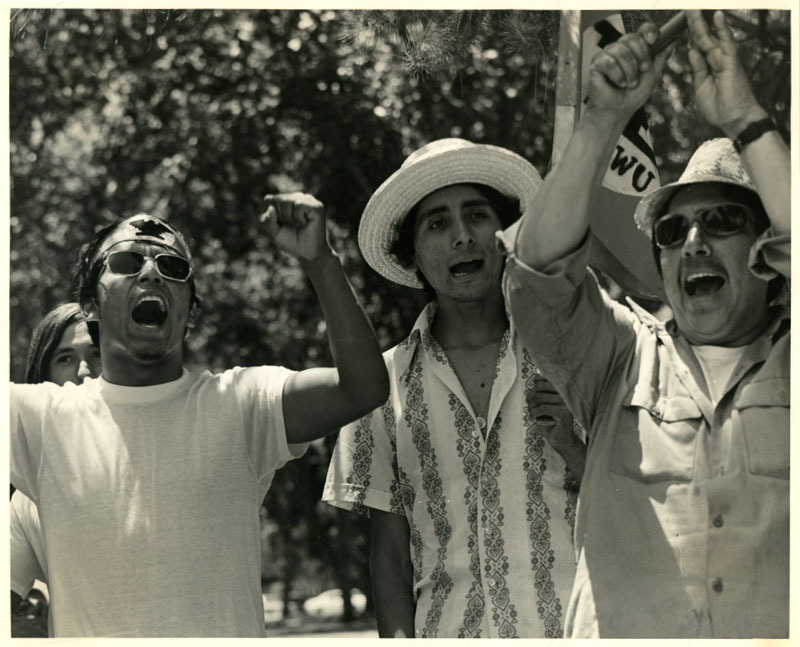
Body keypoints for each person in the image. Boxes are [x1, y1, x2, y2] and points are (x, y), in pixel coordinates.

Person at [499, 10, 789, 638]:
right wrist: (602, 119)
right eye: (671, 231)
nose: (691, 243)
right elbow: (538, 266)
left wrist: (745, 121)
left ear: (769, 250)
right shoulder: (616, 357)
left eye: (720, 222)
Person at [9, 194, 390, 637]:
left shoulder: (241, 404)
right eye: (127, 260)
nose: (151, 271)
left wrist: (321, 260)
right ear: (90, 303)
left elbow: (362, 388)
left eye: (173, 268)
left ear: (189, 310)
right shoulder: (38, 420)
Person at [323, 138, 586, 638]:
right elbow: (389, 557)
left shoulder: (574, 355)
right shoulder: (380, 386)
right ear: (413, 255)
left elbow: (634, 497)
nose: (462, 236)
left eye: (478, 215)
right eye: (437, 223)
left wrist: (575, 446)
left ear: (506, 234)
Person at [11, 303, 102, 637]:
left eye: (97, 354)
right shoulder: (29, 498)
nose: (83, 371)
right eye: (65, 358)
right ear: (44, 374)